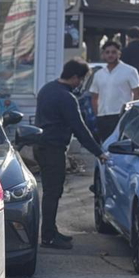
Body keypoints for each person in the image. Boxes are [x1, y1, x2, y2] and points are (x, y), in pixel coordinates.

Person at [33, 59, 109, 250]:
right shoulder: (67, 98)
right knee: (53, 192)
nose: (81, 84)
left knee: (51, 191)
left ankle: (51, 230)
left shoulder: (46, 89)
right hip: (53, 149)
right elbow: (80, 129)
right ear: (75, 77)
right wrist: (98, 152)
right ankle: (48, 237)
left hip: (41, 146)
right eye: (81, 79)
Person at [89, 39, 139, 141]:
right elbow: (94, 96)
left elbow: (137, 93)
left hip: (121, 115)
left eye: (113, 52)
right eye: (107, 52)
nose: (110, 55)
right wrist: (97, 114)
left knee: (121, 144)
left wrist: (133, 114)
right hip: (103, 116)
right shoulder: (98, 74)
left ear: (119, 54)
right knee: (105, 145)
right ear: (103, 55)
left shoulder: (130, 71)